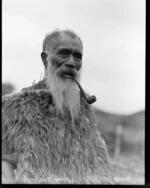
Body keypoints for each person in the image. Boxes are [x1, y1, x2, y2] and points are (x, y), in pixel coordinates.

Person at [2, 29, 114, 184]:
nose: (71, 62)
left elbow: (97, 165)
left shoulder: (84, 110)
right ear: (45, 59)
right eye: (63, 53)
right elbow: (4, 163)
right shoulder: (17, 106)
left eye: (77, 56)